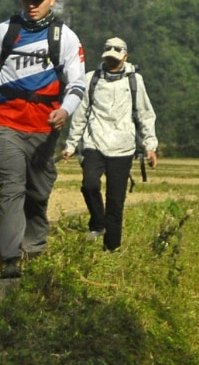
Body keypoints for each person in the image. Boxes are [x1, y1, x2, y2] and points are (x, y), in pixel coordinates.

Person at [0, 0, 86, 278]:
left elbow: (77, 83)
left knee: (38, 194)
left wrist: (66, 111)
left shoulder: (65, 38)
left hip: (44, 130)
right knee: (11, 191)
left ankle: (35, 250)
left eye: (38, 0)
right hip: (7, 125)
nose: (31, 5)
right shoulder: (4, 32)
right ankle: (11, 262)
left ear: (52, 0)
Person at [61, 36, 158, 251]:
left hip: (123, 148)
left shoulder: (135, 81)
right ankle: (97, 222)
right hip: (94, 143)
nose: (112, 62)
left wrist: (150, 146)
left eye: (116, 58)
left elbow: (145, 114)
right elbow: (80, 114)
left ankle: (111, 250)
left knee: (116, 202)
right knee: (89, 185)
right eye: (109, 58)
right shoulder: (90, 79)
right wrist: (70, 145)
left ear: (125, 57)